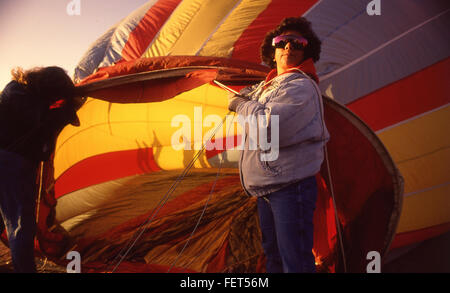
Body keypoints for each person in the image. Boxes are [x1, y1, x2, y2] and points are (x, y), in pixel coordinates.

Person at [228, 17, 329, 273]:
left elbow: (268, 130)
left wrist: (240, 104)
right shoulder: (267, 87)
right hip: (267, 190)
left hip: (290, 188)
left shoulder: (301, 86)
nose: (288, 47)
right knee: (273, 258)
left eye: (298, 43)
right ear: (272, 50)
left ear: (306, 51)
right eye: (282, 42)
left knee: (294, 263)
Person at [0, 66, 81, 273]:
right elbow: (39, 123)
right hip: (12, 164)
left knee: (7, 222)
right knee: (22, 224)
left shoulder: (21, 94)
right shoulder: (19, 94)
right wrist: (65, 109)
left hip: (14, 164)